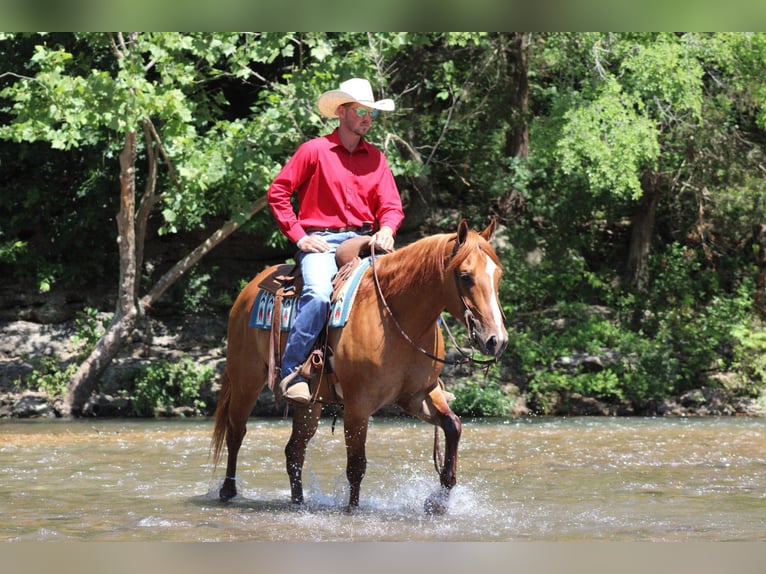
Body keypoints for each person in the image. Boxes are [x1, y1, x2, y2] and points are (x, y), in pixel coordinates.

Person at [267, 78, 405, 404]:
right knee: (317, 295)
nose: (367, 119)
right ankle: (294, 371)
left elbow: (391, 206)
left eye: (371, 113)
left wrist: (387, 229)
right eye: (361, 111)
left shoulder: (377, 158)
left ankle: (425, 375)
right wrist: (299, 237)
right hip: (322, 242)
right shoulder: (313, 151)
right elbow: (279, 193)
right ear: (342, 112)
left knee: (415, 282)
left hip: (365, 240)